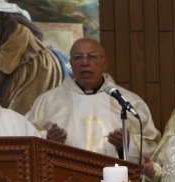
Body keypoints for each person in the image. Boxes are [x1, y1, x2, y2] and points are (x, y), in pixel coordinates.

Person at [28, 38, 159, 160]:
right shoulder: (48, 102)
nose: (85, 63)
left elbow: (152, 146)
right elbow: (27, 139)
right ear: (71, 64)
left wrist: (127, 144)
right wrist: (48, 139)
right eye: (78, 57)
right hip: (65, 176)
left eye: (92, 56)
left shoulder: (128, 101)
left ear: (104, 63)